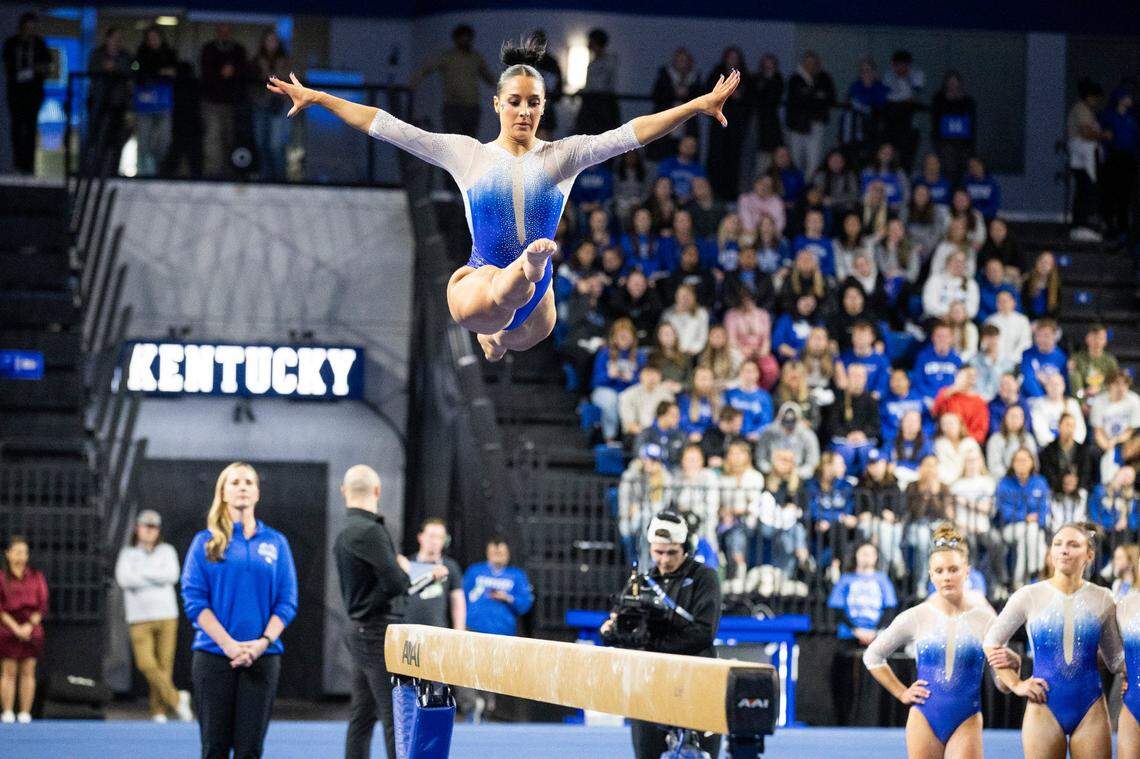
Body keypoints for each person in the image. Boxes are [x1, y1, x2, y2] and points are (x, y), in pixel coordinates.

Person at [270, 36, 740, 362]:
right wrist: (321, 98)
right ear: (497, 104)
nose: (524, 111)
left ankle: (508, 315)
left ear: (544, 106)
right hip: (482, 276)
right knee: (499, 292)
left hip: (538, 305)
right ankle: (522, 276)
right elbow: (387, 126)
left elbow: (630, 134)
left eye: (533, 102)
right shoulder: (467, 154)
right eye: (514, 101)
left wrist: (696, 105)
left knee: (512, 324)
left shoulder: (562, 156)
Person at [864, 524, 1018, 757]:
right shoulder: (916, 616)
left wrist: (1014, 667)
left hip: (966, 720)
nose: (946, 577)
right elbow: (873, 656)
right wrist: (901, 692)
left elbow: (1002, 685)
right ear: (931, 575)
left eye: (953, 569)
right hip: (924, 718)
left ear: (967, 571)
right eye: (939, 571)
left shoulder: (985, 619)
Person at [180, 462, 298, 759]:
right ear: (223, 492)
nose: (242, 487)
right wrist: (228, 645)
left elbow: (286, 602)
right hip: (213, 657)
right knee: (214, 749)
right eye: (234, 482)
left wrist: (262, 643)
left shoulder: (276, 542)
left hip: (262, 658)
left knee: (250, 751)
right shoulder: (204, 542)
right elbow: (194, 601)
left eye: (248, 482)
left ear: (257, 493)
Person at [985, 524, 1123, 759]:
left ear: (1089, 555)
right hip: (1043, 705)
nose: (1064, 550)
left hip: (1090, 707)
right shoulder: (1029, 595)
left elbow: (1115, 660)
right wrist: (1015, 683)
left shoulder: (1103, 598)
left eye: (1073, 545)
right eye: (1058, 544)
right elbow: (991, 641)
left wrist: (1132, 673)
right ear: (1050, 552)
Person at [334, 465, 436, 759]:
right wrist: (404, 568)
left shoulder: (345, 532)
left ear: (344, 492)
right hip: (377, 631)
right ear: (377, 491)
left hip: (361, 628)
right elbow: (397, 583)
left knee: (363, 715)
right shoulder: (370, 531)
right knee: (397, 716)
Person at [600, 512, 722, 759]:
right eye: (658, 552)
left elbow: (703, 632)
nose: (664, 560)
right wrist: (610, 632)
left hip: (696, 676)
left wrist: (652, 645)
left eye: (672, 552)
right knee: (647, 753)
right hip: (651, 680)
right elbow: (621, 629)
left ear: (685, 547)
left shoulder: (704, 578)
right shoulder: (642, 582)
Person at [115, 510, 191, 723]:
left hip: (167, 615)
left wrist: (141, 575)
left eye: (154, 527)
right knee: (146, 663)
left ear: (158, 530)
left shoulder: (167, 551)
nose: (149, 531)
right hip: (139, 618)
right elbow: (124, 580)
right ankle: (177, 699)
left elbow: (172, 576)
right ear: (137, 528)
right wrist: (156, 577)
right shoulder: (127, 553)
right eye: (146, 526)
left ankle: (158, 712)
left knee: (165, 665)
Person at [828, 542, 896, 725]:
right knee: (842, 677)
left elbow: (889, 609)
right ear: (856, 556)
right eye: (863, 553)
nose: (866, 557)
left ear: (876, 557)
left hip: (877, 637)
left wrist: (874, 632)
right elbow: (837, 609)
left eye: (870, 553)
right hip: (848, 636)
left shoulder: (882, 580)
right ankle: (843, 719)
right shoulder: (846, 579)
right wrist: (856, 630)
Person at [410, 25, 495, 138]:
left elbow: (488, 76)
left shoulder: (476, 58)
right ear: (456, 39)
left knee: (471, 141)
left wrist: (503, 88)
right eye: (462, 37)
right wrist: (413, 83)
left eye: (468, 37)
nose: (465, 40)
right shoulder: (447, 57)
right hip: (453, 107)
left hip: (472, 107)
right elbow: (427, 68)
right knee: (453, 140)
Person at [0, 536, 47, 724]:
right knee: (8, 672)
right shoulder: (1, 578)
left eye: (24, 552)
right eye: (17, 552)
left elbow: (42, 606)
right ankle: (7, 711)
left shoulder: (36, 577)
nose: (21, 556)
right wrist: (15, 628)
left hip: (31, 630)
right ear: (8, 554)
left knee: (28, 671)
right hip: (7, 628)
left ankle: (25, 713)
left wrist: (28, 626)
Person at [3, 13, 50, 175]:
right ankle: (17, 164)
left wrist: (37, 70)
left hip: (34, 94)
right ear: (22, 27)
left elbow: (46, 67)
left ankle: (28, 166)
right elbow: (9, 67)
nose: (31, 30)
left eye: (33, 27)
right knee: (17, 127)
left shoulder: (39, 44)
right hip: (16, 93)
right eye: (28, 27)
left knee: (30, 128)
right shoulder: (12, 43)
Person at [199, 24, 248, 178]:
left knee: (229, 140)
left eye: (227, 31)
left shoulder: (239, 50)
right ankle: (212, 176)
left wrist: (233, 72)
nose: (224, 34)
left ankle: (229, 175)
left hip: (232, 104)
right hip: (211, 102)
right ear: (217, 32)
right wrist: (220, 73)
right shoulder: (208, 49)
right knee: (212, 140)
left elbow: (244, 72)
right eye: (221, 31)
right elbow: (205, 72)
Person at [402, 519, 465, 631]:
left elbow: (458, 602)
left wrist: (459, 631)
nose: (435, 541)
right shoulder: (406, 564)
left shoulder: (450, 567)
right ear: (420, 537)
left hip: (436, 630)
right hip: (407, 628)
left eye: (440, 537)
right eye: (431, 536)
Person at [464, 536, 534, 636]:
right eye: (493, 553)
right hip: (473, 629)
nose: (497, 556)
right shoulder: (474, 571)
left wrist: (508, 598)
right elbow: (461, 598)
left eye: (500, 553)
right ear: (487, 553)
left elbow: (525, 605)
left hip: (503, 633)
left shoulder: (517, 575)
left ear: (508, 554)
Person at [1067, 79, 1110, 242]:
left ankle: (1082, 226)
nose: (1097, 102)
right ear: (1090, 96)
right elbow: (1086, 133)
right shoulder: (1081, 109)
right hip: (1083, 158)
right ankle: (1082, 226)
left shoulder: (1086, 110)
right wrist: (1104, 136)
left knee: (1085, 190)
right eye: (1096, 98)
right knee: (1087, 190)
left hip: (1084, 158)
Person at [133, 25, 178, 177]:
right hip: (144, 105)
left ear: (161, 38)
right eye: (150, 38)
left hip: (163, 104)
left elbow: (174, 72)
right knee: (144, 140)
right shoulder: (141, 54)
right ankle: (143, 173)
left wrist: (163, 72)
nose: (153, 41)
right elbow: (137, 72)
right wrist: (160, 71)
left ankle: (158, 168)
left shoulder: (170, 54)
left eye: (155, 37)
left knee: (165, 139)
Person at [86, 27, 132, 175]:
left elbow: (130, 71)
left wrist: (115, 67)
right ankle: (94, 170)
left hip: (118, 102)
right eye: (115, 38)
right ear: (107, 39)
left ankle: (113, 170)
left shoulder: (125, 55)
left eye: (120, 38)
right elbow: (91, 70)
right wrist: (104, 67)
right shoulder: (97, 54)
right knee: (97, 136)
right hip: (98, 101)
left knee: (116, 138)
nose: (117, 41)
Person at [784, 51, 835, 181]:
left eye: (813, 63)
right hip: (797, 125)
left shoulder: (824, 78)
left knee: (814, 160)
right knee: (795, 160)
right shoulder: (795, 79)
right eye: (807, 63)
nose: (810, 66)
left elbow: (830, 98)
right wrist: (815, 96)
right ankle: (796, 186)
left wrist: (809, 95)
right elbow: (796, 100)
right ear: (803, 64)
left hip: (816, 124)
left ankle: (809, 187)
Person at [249, 29, 291, 181]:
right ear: (263, 42)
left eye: (274, 41)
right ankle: (264, 178)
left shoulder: (286, 61)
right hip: (260, 105)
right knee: (261, 143)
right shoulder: (256, 61)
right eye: (269, 40)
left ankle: (280, 180)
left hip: (279, 106)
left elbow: (290, 82)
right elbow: (252, 83)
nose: (271, 44)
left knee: (276, 145)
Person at [929, 72, 976, 186]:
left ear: (960, 84)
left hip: (963, 143)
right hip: (944, 143)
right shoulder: (938, 99)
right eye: (950, 82)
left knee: (963, 169)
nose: (953, 85)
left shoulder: (968, 101)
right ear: (946, 84)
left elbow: (971, 122)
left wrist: (959, 100)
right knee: (948, 168)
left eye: (955, 82)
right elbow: (936, 120)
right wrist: (948, 100)